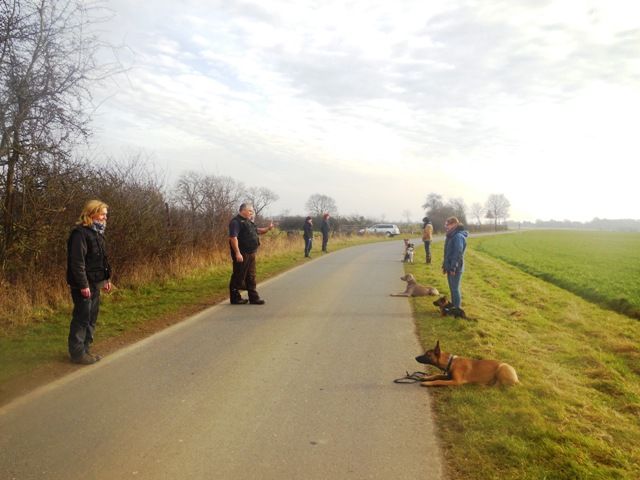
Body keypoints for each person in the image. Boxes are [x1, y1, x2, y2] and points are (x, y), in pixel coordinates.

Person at [66, 200, 112, 365]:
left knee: (91, 318)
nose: (105, 217)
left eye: (106, 214)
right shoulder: (79, 234)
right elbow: (77, 263)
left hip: (96, 283)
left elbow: (101, 260)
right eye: (102, 214)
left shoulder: (97, 233)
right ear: (92, 213)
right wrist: (83, 285)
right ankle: (77, 354)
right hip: (83, 285)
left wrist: (105, 280)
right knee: (82, 318)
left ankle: (85, 350)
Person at [229, 203, 273, 305]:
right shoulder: (236, 222)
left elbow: (257, 231)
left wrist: (268, 228)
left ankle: (254, 298)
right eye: (250, 211)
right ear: (243, 210)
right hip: (242, 254)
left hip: (251, 252)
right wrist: (237, 253)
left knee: (251, 276)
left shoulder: (248, 222)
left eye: (252, 211)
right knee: (239, 276)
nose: (251, 213)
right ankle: (235, 298)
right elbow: (233, 238)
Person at [442, 216, 468, 309]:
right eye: (446, 224)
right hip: (450, 266)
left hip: (456, 268)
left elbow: (458, 253)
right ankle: (453, 307)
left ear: (454, 224)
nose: (446, 226)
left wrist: (453, 268)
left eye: (447, 224)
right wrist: (445, 266)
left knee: (455, 289)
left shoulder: (458, 236)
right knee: (452, 289)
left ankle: (457, 309)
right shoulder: (451, 235)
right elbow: (447, 253)